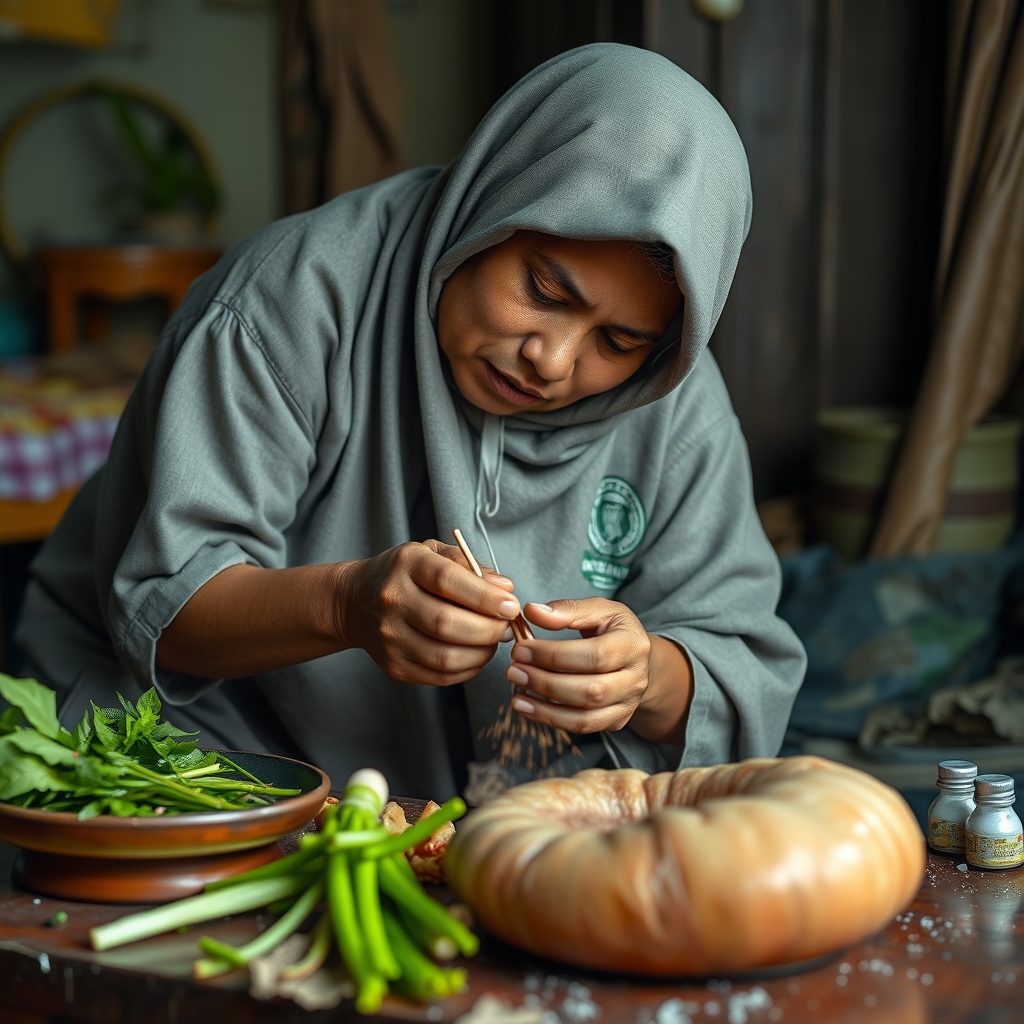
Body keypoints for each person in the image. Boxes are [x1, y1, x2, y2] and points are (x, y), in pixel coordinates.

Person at [15, 44, 806, 800]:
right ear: (494, 202)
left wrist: (645, 678)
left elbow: (737, 657)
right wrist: (346, 605)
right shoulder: (291, 301)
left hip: (491, 807)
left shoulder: (673, 399)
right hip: (205, 759)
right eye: (544, 290)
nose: (553, 360)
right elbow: (167, 599)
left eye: (618, 341)